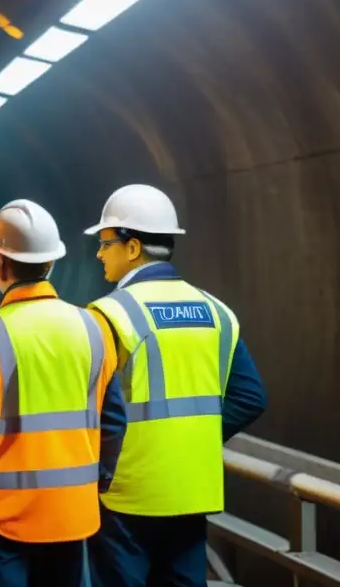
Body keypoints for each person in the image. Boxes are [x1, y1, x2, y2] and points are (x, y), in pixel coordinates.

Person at [0, 199, 129, 585]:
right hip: (71, 515)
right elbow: (114, 421)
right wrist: (96, 481)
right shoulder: (94, 329)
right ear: (51, 263)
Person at [83, 184, 268, 587]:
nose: (99, 253)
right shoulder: (217, 311)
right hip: (191, 490)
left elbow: (88, 407)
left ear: (132, 248)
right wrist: (194, 439)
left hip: (127, 493)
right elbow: (251, 397)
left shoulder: (110, 314)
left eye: (105, 243)